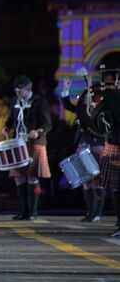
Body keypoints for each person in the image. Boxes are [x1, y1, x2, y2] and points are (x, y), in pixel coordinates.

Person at [1, 75, 52, 221]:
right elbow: (11, 118)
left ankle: (33, 211)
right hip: (18, 143)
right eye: (16, 90)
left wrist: (38, 132)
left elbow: (47, 124)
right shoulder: (15, 101)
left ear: (28, 89)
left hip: (34, 144)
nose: (17, 93)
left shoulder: (39, 102)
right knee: (18, 177)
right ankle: (24, 210)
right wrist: (6, 127)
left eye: (20, 91)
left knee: (32, 177)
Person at [61, 77, 105, 222]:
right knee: (86, 180)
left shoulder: (102, 108)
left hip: (97, 144)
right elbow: (68, 105)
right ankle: (90, 212)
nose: (85, 99)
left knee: (97, 179)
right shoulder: (82, 107)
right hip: (83, 144)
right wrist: (66, 88)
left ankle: (97, 213)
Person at [92, 77, 120, 237]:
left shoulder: (111, 97)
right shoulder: (111, 97)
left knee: (117, 189)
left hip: (115, 145)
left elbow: (95, 120)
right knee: (116, 188)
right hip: (115, 146)